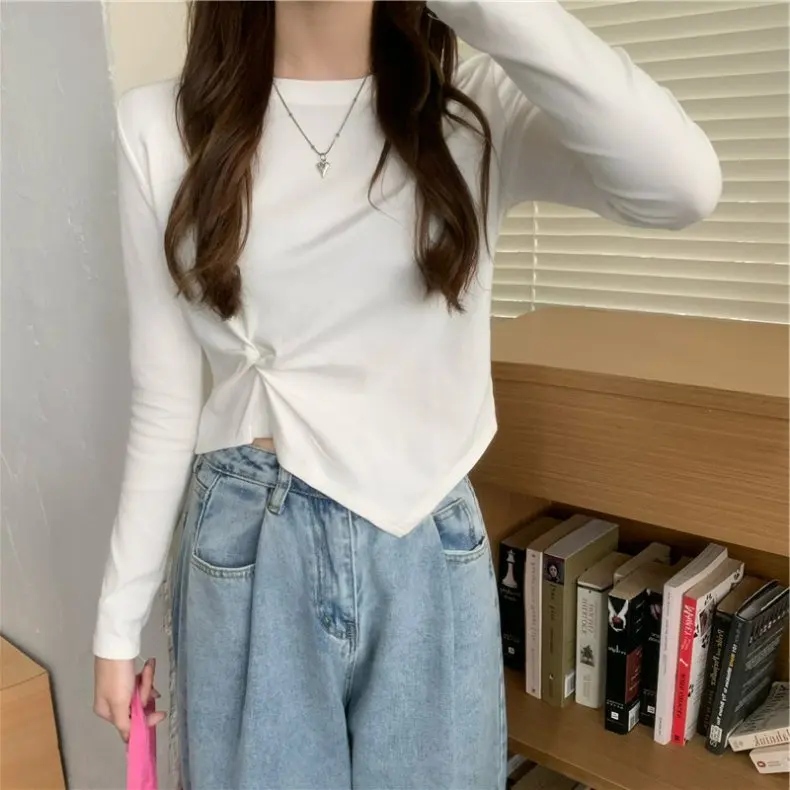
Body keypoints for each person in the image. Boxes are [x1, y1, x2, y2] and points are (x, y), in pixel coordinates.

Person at [92, 2, 722, 788]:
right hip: (249, 545)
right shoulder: (161, 125)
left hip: (424, 539)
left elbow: (684, 187)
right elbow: (163, 398)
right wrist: (117, 623)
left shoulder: (472, 110)